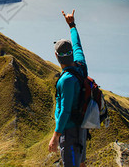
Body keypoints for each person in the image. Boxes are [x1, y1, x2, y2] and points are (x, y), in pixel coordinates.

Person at [48, 9, 87, 167]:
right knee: (81, 163)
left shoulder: (66, 80)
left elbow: (65, 111)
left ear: (57, 56)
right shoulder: (80, 66)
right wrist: (72, 25)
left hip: (70, 132)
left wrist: (55, 136)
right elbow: (78, 46)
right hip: (81, 127)